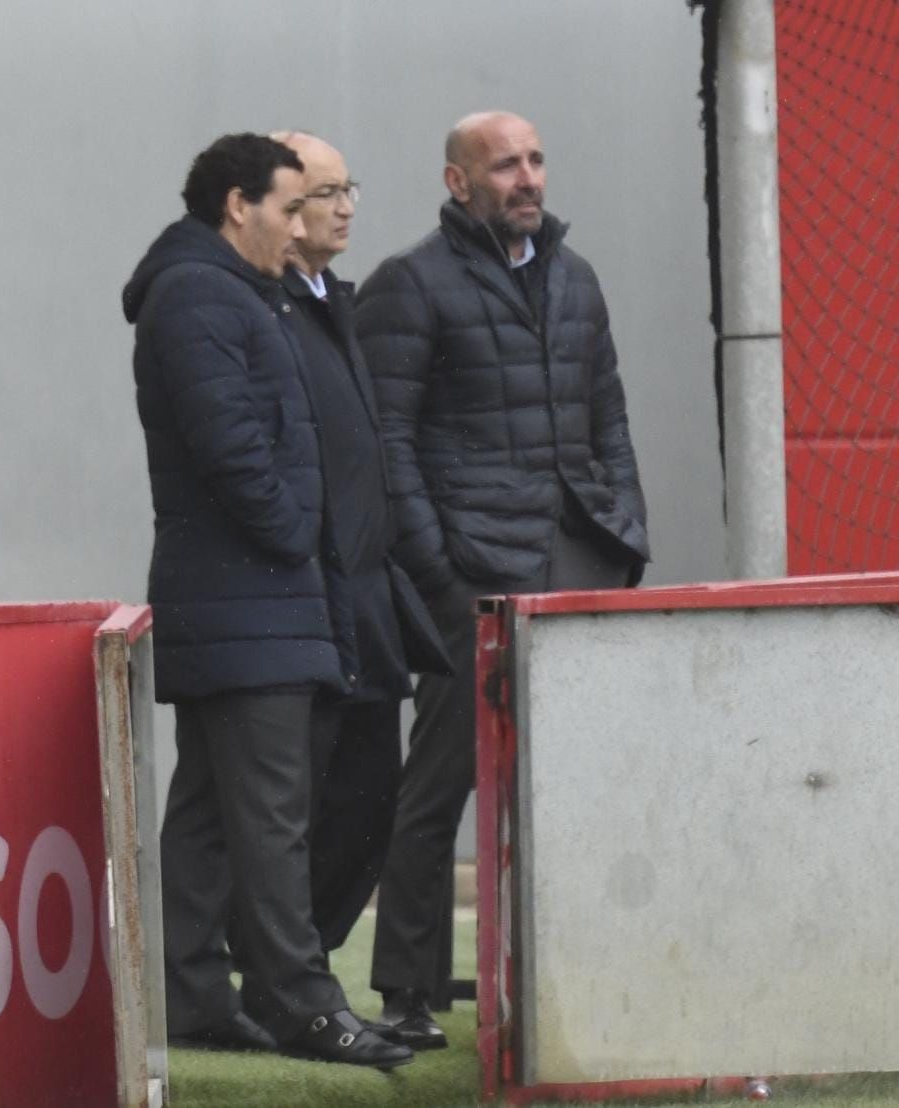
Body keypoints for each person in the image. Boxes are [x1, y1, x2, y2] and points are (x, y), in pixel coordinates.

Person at [357, 111, 651, 1049]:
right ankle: (407, 995)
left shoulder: (578, 278)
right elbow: (384, 447)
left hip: (576, 562)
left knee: (575, 785)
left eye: (534, 160)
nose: (527, 178)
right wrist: (437, 572)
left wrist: (625, 539)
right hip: (470, 577)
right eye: (503, 165)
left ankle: (568, 981)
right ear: (458, 184)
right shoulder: (410, 285)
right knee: (440, 785)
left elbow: (608, 417)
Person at [121, 132, 411, 1069]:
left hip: (253, 602)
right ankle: (299, 1002)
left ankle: (190, 990)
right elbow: (234, 448)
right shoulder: (201, 295)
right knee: (275, 814)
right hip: (251, 596)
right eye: (289, 207)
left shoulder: (235, 292)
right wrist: (300, 536)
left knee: (209, 809)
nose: (302, 228)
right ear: (236, 204)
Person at [267, 129, 450, 963]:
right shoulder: (263, 308)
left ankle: (308, 961)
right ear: (277, 207)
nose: (344, 207)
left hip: (367, 594)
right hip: (306, 597)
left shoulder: (334, 299)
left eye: (350, 189)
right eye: (323, 193)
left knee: (371, 792)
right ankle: (277, 969)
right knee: (297, 795)